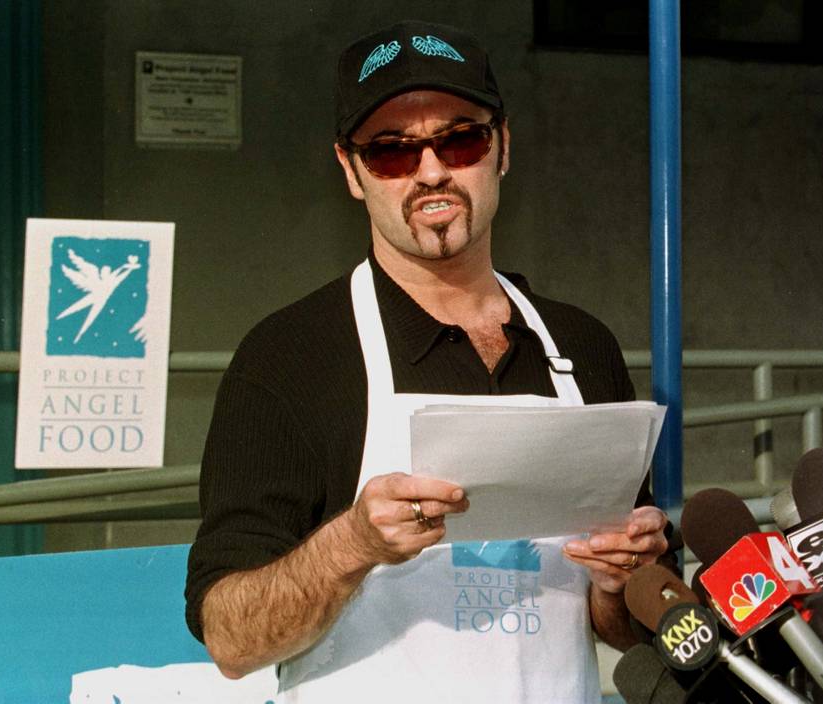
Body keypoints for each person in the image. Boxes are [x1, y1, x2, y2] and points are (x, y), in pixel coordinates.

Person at [185, 19, 670, 703]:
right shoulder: (287, 359)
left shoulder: (582, 347)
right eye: (391, 152)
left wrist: (622, 580)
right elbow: (230, 639)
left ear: (503, 148)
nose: (432, 170)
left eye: (460, 138)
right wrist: (352, 544)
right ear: (351, 173)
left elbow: (617, 627)